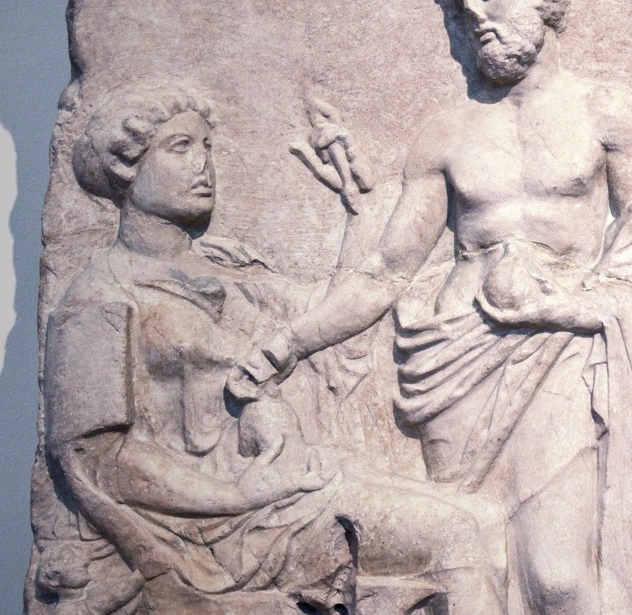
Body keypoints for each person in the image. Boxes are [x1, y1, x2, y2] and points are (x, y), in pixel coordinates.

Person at [235, 0, 632, 615]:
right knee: (473, 564)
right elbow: (386, 271)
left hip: (561, 352)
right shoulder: (446, 133)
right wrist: (287, 345)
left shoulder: (608, 111)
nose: (475, 14)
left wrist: (572, 305)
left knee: (559, 576)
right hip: (455, 361)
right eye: (461, 4)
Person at [36, 83, 505, 615]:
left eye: (207, 147)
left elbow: (324, 319)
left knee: (487, 519)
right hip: (211, 523)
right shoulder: (100, 296)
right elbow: (97, 462)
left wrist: (361, 212)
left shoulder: (229, 266)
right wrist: (237, 495)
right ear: (125, 165)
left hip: (290, 483)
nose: (203, 165)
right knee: (457, 534)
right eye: (180, 147)